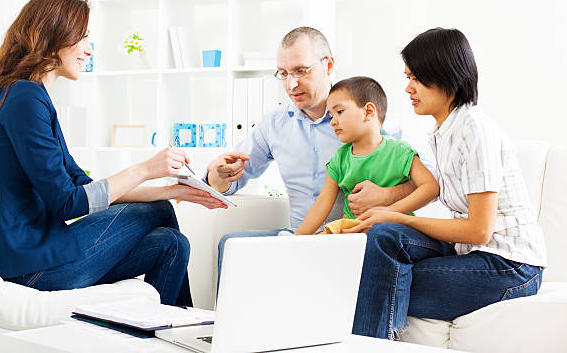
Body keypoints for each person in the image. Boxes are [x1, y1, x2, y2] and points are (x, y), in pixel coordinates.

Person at [0, 0, 225, 306]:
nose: (89, 50)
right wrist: (145, 169)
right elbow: (68, 203)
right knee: (160, 214)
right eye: (83, 38)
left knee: (172, 244)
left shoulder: (28, 98)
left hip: (29, 257)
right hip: (26, 266)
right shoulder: (24, 98)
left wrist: (173, 191)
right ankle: (190, 332)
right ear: (54, 34)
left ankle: (169, 334)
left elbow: (83, 188)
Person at [344, 28, 547, 339]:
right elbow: (430, 189)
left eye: (415, 78)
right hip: (473, 253)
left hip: (511, 268)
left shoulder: (474, 131)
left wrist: (395, 214)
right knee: (384, 237)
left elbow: (479, 229)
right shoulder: (443, 132)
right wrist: (383, 213)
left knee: (375, 279)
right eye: (407, 76)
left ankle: (366, 344)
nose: (408, 88)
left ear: (445, 76)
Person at [206, 26, 434, 277]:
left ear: (328, 66)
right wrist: (218, 178)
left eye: (301, 71)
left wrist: (387, 195)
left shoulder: (365, 120)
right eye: (283, 73)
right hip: (301, 234)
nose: (292, 83)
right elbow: (230, 179)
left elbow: (432, 179)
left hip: (353, 238)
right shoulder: (273, 126)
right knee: (232, 245)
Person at [295, 76, 438, 235]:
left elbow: (430, 188)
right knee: (324, 240)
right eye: (331, 115)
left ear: (369, 112)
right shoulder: (339, 159)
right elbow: (322, 203)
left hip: (392, 231)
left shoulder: (399, 151)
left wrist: (390, 212)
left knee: (382, 235)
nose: (333, 121)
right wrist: (298, 238)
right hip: (354, 232)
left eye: (340, 112)